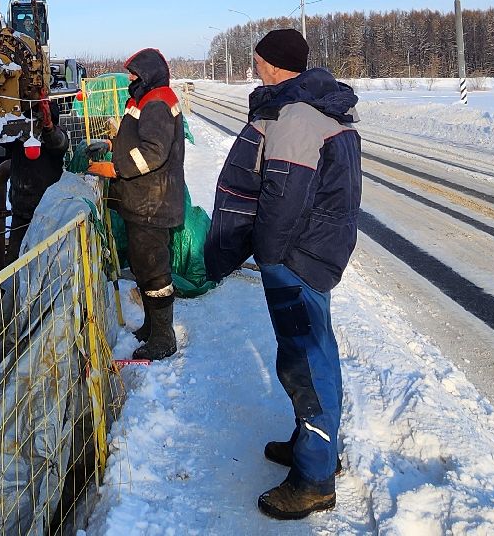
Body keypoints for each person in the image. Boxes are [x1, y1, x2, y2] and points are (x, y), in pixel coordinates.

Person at [203, 28, 361, 520]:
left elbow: (283, 200)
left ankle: (315, 478)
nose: (254, 67)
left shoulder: (295, 116)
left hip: (296, 259)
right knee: (309, 352)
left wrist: (267, 257)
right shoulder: (316, 108)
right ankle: (309, 444)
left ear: (272, 64)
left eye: (256, 60)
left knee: (307, 362)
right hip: (316, 251)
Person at [109, 47, 186, 361]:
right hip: (141, 198)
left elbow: (153, 152)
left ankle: (164, 338)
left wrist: (116, 168)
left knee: (154, 269)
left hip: (152, 202)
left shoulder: (156, 102)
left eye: (135, 73)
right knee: (143, 265)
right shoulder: (144, 99)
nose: (130, 78)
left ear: (149, 74)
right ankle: (151, 326)